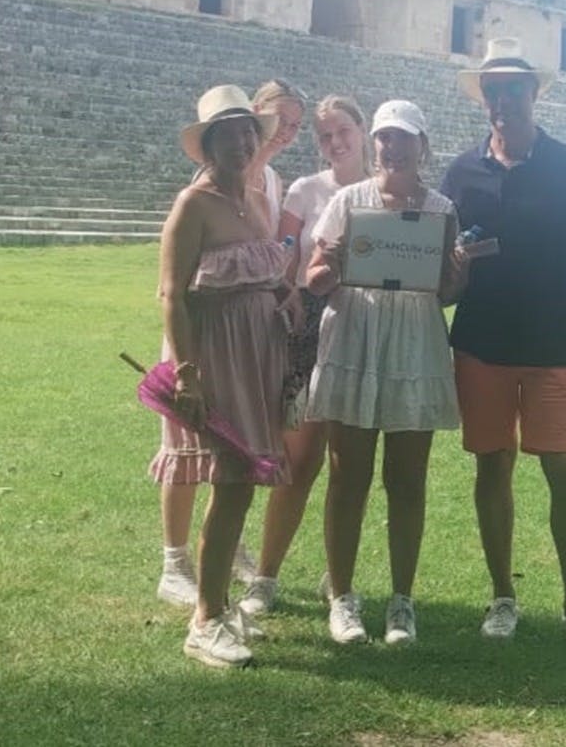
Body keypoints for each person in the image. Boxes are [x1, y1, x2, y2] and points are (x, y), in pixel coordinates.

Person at [440, 37, 566, 654]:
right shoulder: (461, 171)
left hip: (554, 344)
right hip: (482, 342)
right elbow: (445, 263)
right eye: (492, 91)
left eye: (513, 89)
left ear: (534, 94)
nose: (502, 100)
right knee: (493, 464)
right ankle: (502, 597)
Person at [304, 99, 463, 646]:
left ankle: (401, 601)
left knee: (407, 478)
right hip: (357, 334)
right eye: (384, 138)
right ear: (375, 145)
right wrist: (339, 260)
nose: (392, 148)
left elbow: (445, 293)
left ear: (423, 145)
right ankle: (343, 597)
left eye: (403, 138)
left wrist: (457, 275)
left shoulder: (442, 208)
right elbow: (315, 277)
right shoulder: (349, 201)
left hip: (413, 343)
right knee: (347, 474)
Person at [148, 84, 295, 668]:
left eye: (247, 132)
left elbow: (260, 274)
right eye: (227, 134)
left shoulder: (253, 201)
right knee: (231, 480)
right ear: (207, 145)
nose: (239, 142)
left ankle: (216, 602)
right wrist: (186, 375)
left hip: (256, 357)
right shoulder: (194, 205)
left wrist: (285, 296)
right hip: (212, 360)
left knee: (241, 483)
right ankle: (206, 618)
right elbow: (170, 295)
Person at [240, 95, 372, 617]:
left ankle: (338, 581)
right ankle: (266, 578)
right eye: (325, 136)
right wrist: (285, 291)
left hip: (363, 323)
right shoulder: (305, 189)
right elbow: (284, 249)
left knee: (350, 464)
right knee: (299, 460)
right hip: (310, 323)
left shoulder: (383, 192)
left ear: (362, 130)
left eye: (343, 131)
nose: (336, 143)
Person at [251, 79, 309, 235]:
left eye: (294, 125)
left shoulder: (273, 181)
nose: (285, 131)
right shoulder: (223, 171)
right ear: (256, 112)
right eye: (279, 119)